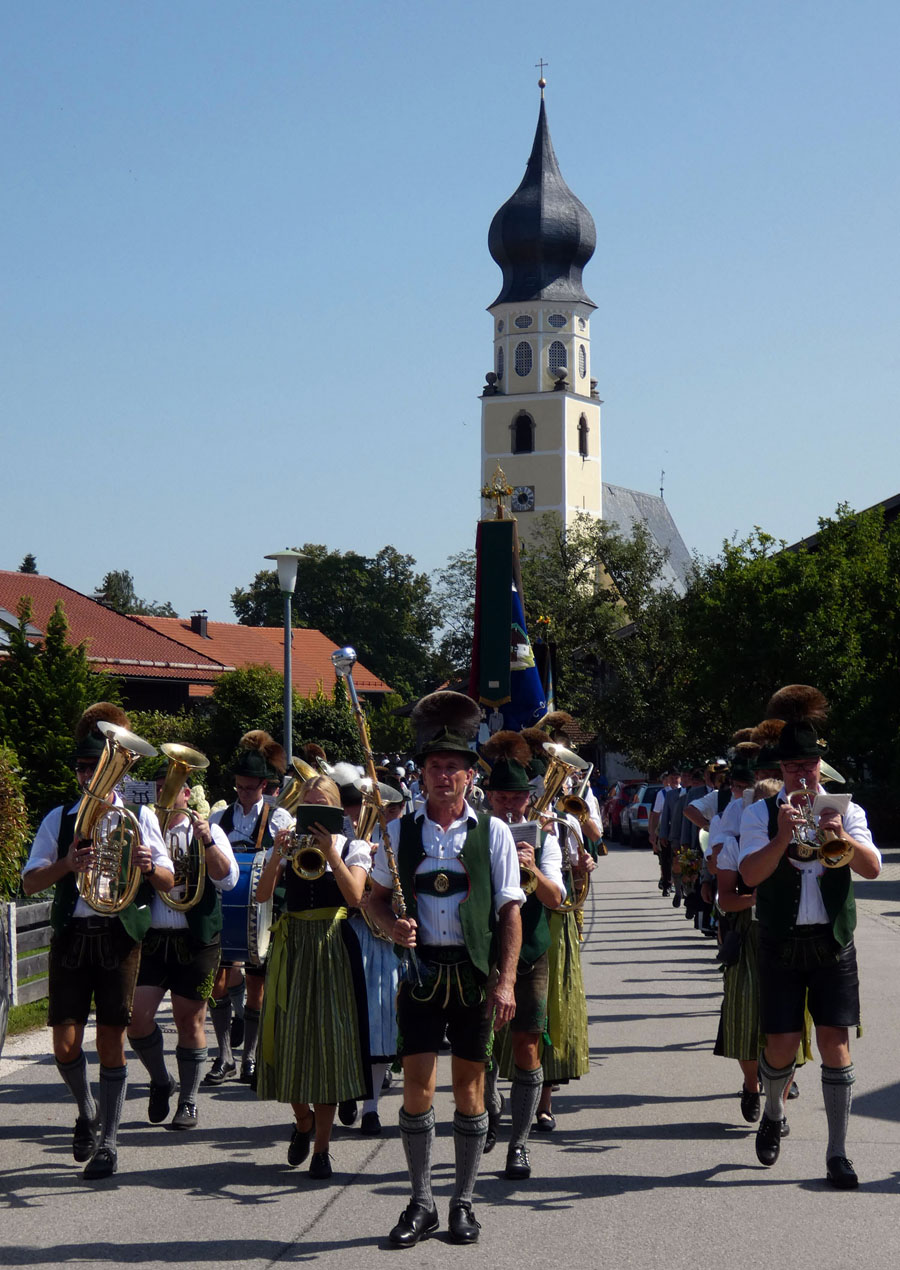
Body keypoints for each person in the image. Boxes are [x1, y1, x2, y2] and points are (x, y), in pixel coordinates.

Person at [367, 691, 524, 1247]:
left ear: (468, 777)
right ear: (423, 774)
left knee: (470, 1089)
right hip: (421, 975)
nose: (443, 777)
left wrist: (505, 980)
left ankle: (463, 1201)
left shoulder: (494, 833)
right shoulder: (396, 833)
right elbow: (371, 899)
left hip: (475, 977)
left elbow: (509, 911)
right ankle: (421, 1201)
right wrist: (391, 926)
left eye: (453, 768)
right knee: (415, 1089)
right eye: (434, 767)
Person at [21, 703, 174, 1179]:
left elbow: (169, 881)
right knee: (65, 1042)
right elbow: (29, 883)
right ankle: (87, 1110)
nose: (90, 775)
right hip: (72, 935)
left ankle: (108, 1141)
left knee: (111, 1038)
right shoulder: (58, 819)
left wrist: (150, 866)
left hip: (118, 935)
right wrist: (67, 865)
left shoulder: (139, 816)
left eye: (96, 766)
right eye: (84, 767)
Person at [739, 685, 881, 1189]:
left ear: (821, 766)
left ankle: (837, 1154)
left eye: (810, 765)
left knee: (835, 1043)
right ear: (780, 769)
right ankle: (774, 1112)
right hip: (779, 939)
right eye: (794, 766)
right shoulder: (759, 813)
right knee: (781, 1045)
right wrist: (781, 835)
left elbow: (872, 869)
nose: (803, 773)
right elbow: (750, 878)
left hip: (832, 941)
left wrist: (837, 830)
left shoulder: (848, 810)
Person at [255, 774, 372, 1179]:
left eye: (321, 802)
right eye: (308, 801)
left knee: (327, 1045)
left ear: (336, 810)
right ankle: (301, 1120)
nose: (312, 807)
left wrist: (331, 854)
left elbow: (356, 898)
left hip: (332, 946)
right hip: (292, 946)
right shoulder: (290, 844)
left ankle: (322, 1148)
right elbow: (263, 895)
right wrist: (276, 854)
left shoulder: (352, 846)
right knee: (286, 1039)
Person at [127, 761, 238, 1129]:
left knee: (189, 1021)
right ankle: (161, 1080)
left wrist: (206, 838)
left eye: (173, 788)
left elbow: (228, 878)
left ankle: (188, 1101)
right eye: (159, 789)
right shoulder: (142, 831)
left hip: (196, 938)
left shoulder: (207, 831)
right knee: (136, 1021)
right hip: (153, 937)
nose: (166, 795)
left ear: (188, 795)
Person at [480, 731, 567, 1180]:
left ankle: (519, 1143)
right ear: (489, 797)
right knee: (481, 1048)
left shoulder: (543, 838)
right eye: (502, 798)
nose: (511, 806)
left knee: (527, 1044)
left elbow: (555, 900)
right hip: (479, 954)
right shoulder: (474, 832)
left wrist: (531, 865)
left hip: (529, 951)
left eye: (518, 798)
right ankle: (490, 1110)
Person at [206, 730, 293, 1084]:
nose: (243, 793)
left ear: (264, 785)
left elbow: (285, 865)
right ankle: (224, 1054)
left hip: (262, 910)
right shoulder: (219, 819)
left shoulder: (279, 818)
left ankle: (250, 1058)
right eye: (239, 787)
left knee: (257, 985)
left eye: (250, 788)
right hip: (224, 908)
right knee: (217, 982)